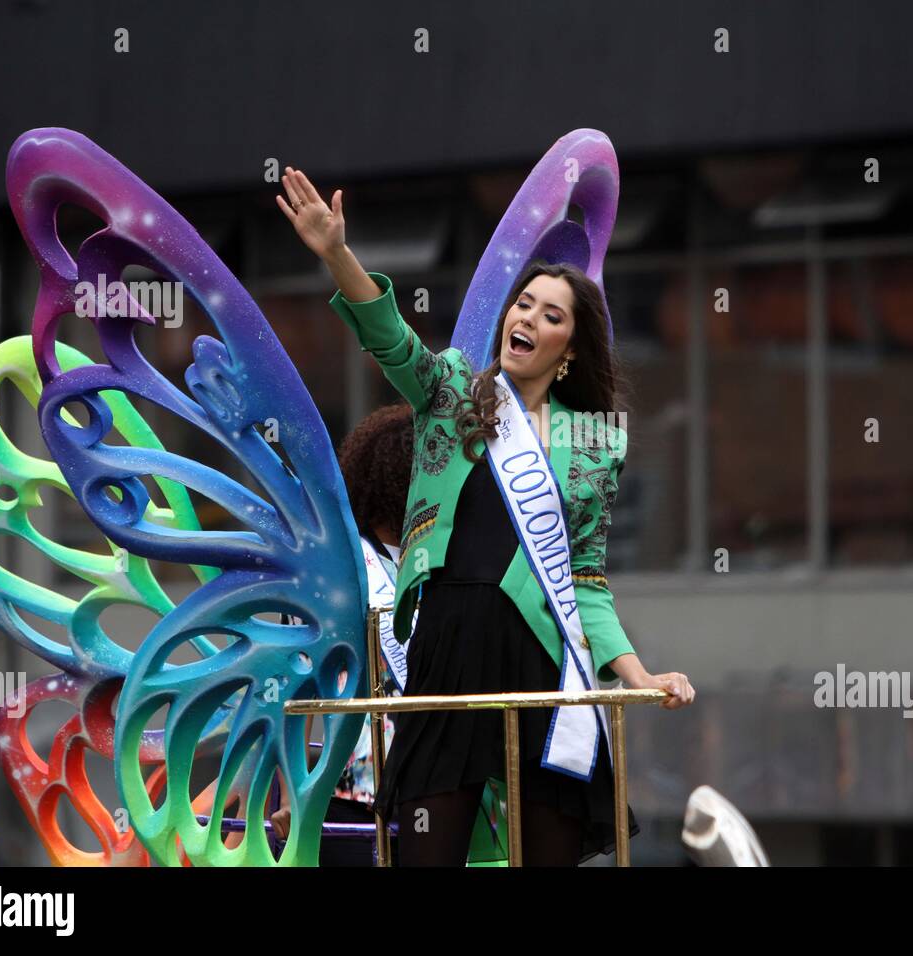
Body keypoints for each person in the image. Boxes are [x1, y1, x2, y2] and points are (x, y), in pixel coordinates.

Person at [278, 166, 696, 866]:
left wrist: (637, 674)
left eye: (550, 315)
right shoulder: (449, 394)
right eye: (523, 304)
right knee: (426, 850)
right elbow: (390, 338)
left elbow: (585, 580)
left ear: (569, 351)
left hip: (541, 654)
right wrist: (335, 253)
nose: (527, 319)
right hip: (445, 646)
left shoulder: (591, 442)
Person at [270, 403, 414, 866]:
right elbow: (293, 688)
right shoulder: (333, 572)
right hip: (342, 792)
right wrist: (293, 795)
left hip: (433, 792)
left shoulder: (440, 562)